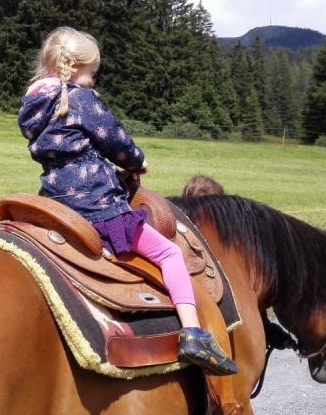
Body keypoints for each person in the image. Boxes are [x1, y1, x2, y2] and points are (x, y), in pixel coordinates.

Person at [18, 27, 237, 376]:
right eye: (91, 74)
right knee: (170, 253)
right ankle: (193, 333)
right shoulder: (80, 99)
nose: (92, 81)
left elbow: (70, 150)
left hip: (56, 199)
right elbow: (116, 141)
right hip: (95, 204)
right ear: (74, 66)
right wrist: (137, 162)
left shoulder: (33, 105)